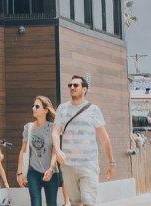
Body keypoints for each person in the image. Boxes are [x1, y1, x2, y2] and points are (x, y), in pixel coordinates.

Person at [55, 76, 113, 206]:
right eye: (70, 85)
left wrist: (111, 162)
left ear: (84, 89)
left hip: (88, 164)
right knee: (75, 202)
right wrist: (58, 150)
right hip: (68, 165)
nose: (72, 87)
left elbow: (104, 138)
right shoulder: (62, 109)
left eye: (76, 85)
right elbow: (55, 132)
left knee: (88, 201)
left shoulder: (94, 110)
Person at [18, 96, 62, 206]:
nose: (33, 108)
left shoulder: (53, 128)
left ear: (46, 110)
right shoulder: (28, 127)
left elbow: (55, 151)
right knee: (35, 203)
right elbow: (23, 151)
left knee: (52, 204)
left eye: (37, 106)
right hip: (33, 172)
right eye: (33, 106)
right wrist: (19, 172)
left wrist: (51, 169)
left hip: (51, 173)